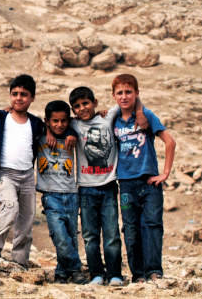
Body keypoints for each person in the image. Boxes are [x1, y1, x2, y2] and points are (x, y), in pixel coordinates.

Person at [0, 74, 48, 268]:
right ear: (9, 95)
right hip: (5, 174)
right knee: (10, 207)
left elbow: (56, 129)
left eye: (24, 94)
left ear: (32, 98)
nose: (19, 98)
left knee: (27, 216)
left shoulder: (36, 123)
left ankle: (20, 259)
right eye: (14, 93)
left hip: (27, 176)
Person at [110, 74, 175, 283]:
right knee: (130, 229)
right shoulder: (113, 119)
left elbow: (170, 142)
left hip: (149, 183)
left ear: (137, 93)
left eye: (128, 92)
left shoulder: (146, 115)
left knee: (152, 225)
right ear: (113, 96)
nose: (124, 96)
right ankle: (137, 274)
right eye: (119, 92)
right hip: (126, 184)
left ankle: (154, 271)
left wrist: (164, 173)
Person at [69, 86, 130, 287]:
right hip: (85, 189)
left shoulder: (108, 117)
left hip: (109, 186)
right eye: (76, 106)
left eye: (86, 103)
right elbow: (52, 121)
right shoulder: (74, 124)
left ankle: (115, 275)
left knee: (111, 233)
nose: (82, 108)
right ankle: (96, 273)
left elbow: (130, 101)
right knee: (89, 235)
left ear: (95, 102)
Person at [36, 100, 86, 283]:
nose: (59, 125)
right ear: (47, 121)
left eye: (63, 121)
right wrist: (47, 131)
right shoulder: (40, 136)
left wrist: (71, 132)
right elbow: (33, 121)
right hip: (51, 195)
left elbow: (78, 123)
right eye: (54, 121)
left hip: (72, 194)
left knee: (70, 237)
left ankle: (62, 273)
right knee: (60, 237)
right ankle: (76, 268)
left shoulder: (72, 137)